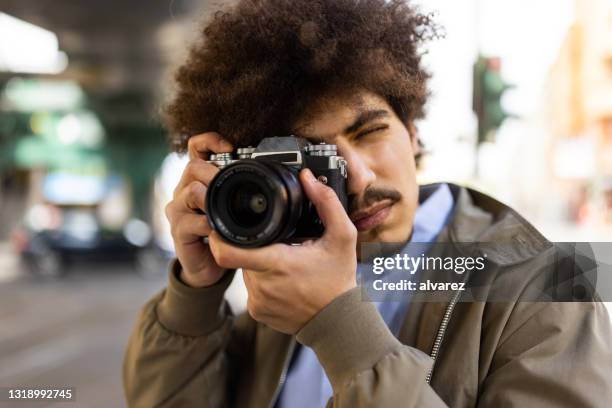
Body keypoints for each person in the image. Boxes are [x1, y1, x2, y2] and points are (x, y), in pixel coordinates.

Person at [123, 0, 612, 406]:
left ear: (413, 132)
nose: (357, 178)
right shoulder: (281, 280)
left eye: (370, 132)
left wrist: (339, 326)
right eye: (317, 158)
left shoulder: (550, 286)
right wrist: (195, 293)